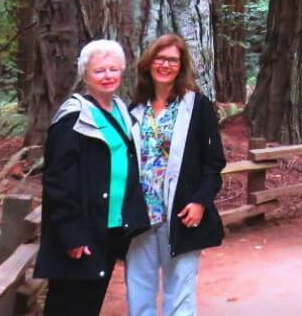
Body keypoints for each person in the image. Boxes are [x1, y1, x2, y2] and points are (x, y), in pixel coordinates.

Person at [35, 40, 150, 315]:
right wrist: (71, 235)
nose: (108, 76)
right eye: (99, 71)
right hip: (82, 230)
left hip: (109, 226)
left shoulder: (121, 111)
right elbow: (57, 181)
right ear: (85, 74)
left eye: (113, 69)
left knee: (91, 301)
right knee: (68, 303)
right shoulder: (73, 117)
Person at [126, 34, 227, 316]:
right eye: (159, 58)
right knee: (139, 287)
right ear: (148, 63)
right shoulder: (133, 109)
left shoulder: (197, 106)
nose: (165, 65)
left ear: (181, 66)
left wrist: (200, 202)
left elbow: (214, 162)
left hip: (182, 211)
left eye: (172, 59)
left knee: (179, 289)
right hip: (141, 213)